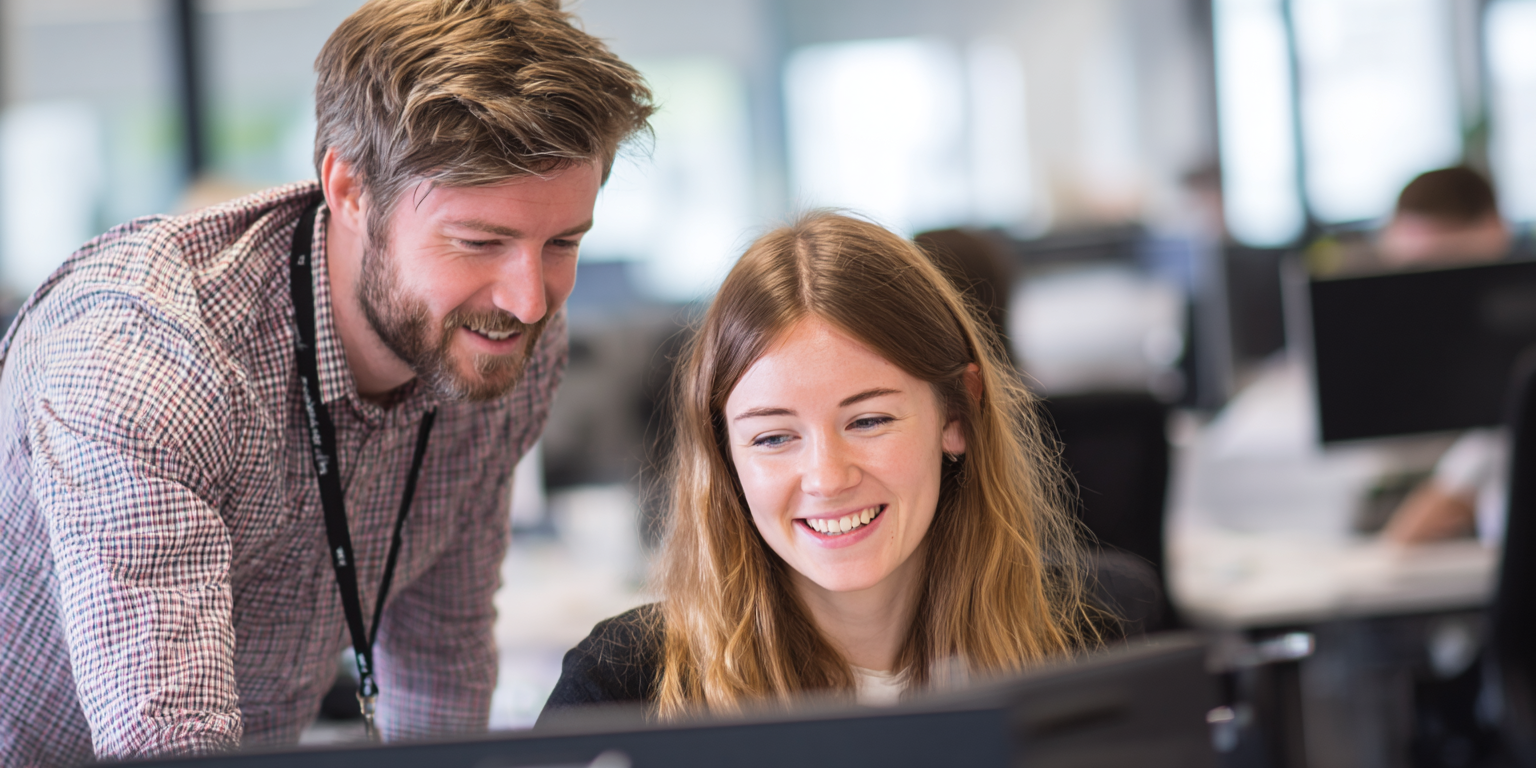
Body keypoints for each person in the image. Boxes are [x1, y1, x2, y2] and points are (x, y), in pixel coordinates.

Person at [0, 1, 653, 763]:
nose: (528, 300)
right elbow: (170, 744)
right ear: (348, 189)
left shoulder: (504, 340)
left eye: (562, 242)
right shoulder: (154, 359)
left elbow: (442, 660)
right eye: (480, 241)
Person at [538, 213, 1106, 722]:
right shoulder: (622, 691)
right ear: (725, 454)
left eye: (868, 421)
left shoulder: (1090, 643)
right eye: (774, 436)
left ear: (956, 414)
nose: (828, 479)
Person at [1373, 168, 1512, 545]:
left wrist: (1455, 486)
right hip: (1407, 482)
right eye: (1418, 270)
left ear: (1494, 230)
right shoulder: (1378, 320)